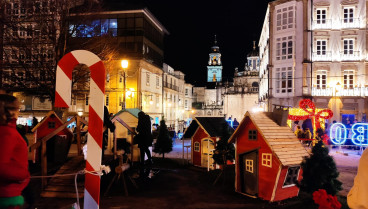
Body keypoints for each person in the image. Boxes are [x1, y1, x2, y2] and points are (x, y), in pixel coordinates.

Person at [0, 95, 30, 209]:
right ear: (8, 111)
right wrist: (23, 174)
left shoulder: (8, 130)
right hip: (7, 195)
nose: (19, 110)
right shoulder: (7, 132)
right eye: (17, 108)